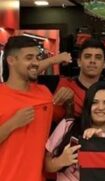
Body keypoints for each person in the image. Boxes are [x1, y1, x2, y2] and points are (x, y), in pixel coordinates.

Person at [0, 36, 54, 180]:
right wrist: (12, 124)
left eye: (37, 57)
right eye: (29, 58)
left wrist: (69, 102)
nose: (36, 62)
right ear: (11, 60)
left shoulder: (45, 94)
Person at [44, 81, 105, 181]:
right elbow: (47, 165)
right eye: (94, 102)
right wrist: (61, 160)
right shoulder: (68, 125)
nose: (101, 107)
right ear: (88, 105)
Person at [54, 39, 105, 119]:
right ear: (79, 62)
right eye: (87, 56)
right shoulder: (65, 86)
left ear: (104, 64)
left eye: (98, 57)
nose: (92, 61)